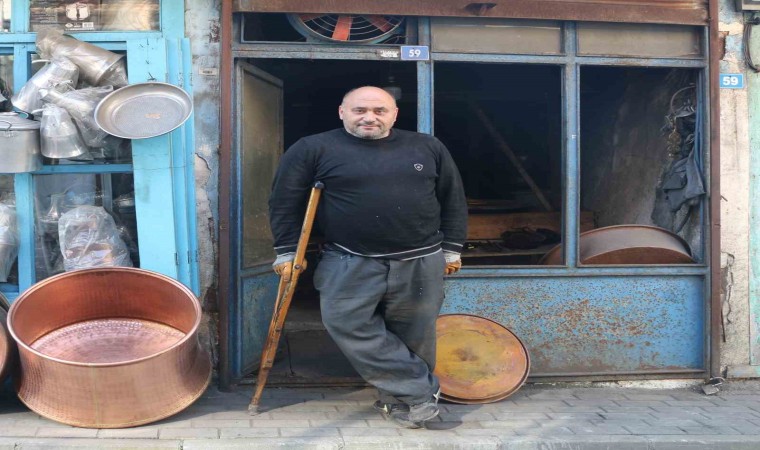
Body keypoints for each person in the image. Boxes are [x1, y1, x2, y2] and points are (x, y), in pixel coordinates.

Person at [268, 86, 467, 428]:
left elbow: (453, 198)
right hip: (348, 257)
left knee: (415, 333)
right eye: (360, 110)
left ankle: (401, 404)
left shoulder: (427, 147)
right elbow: (285, 202)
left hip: (420, 257)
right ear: (342, 112)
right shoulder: (313, 148)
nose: (369, 117)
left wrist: (453, 247)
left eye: (379, 110)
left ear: (394, 115)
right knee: (345, 321)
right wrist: (285, 250)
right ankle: (420, 391)